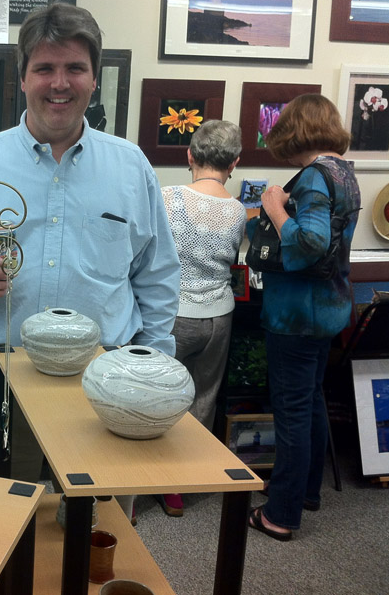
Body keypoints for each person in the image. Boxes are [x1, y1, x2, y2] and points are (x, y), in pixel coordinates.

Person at [0, 2, 180, 506]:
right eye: (45, 68)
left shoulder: (132, 169)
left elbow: (157, 276)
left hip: (107, 382)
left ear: (94, 78)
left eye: (75, 68)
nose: (60, 83)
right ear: (22, 77)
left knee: (96, 528)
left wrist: (153, 370)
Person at [246, 93, 360, 541]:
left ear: (297, 130)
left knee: (291, 411)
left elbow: (310, 243)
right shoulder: (344, 173)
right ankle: (304, 490)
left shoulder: (314, 176)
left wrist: (274, 208)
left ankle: (280, 515)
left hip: (296, 315)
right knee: (310, 402)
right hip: (329, 308)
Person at [159, 120, 246, 517]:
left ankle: (139, 484)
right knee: (202, 399)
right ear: (234, 162)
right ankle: (177, 487)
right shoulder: (238, 210)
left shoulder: (168, 197)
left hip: (174, 314)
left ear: (190, 155)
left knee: (156, 395)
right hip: (220, 315)